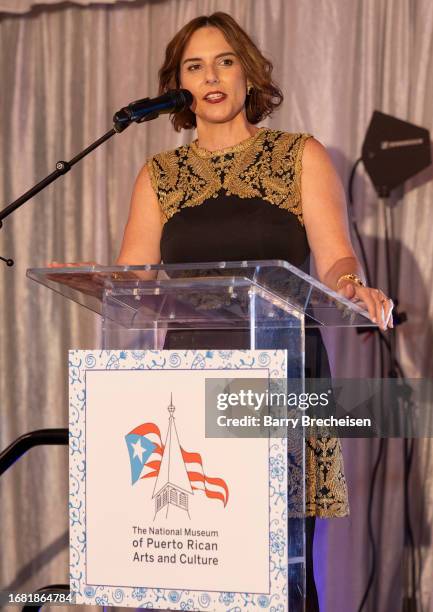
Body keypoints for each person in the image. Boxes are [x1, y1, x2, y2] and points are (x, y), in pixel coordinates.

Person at [115, 12, 394, 611]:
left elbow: (337, 258)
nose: (211, 76)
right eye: (194, 66)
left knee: (282, 574)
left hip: (281, 381)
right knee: (200, 576)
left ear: (249, 75)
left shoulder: (300, 156)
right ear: (178, 86)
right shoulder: (159, 175)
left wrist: (356, 286)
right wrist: (106, 281)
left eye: (224, 61)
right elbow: (132, 281)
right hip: (192, 391)